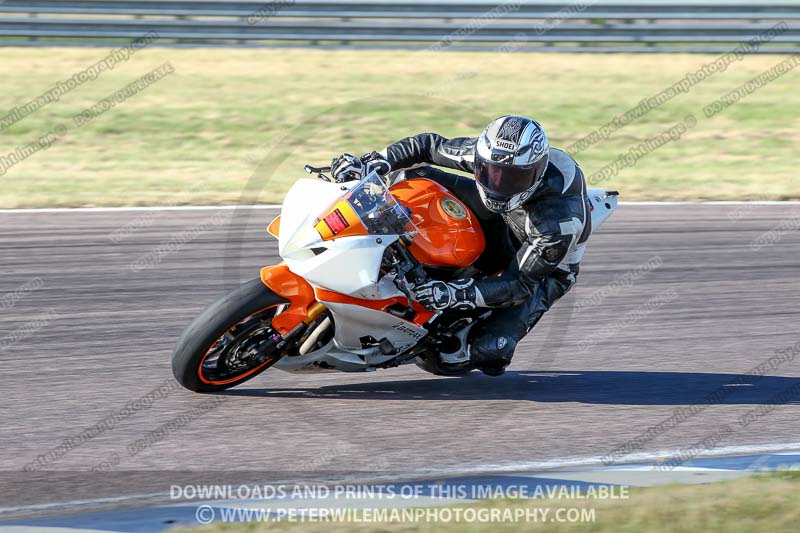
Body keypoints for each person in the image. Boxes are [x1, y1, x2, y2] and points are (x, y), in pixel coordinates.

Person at [329, 115, 591, 376]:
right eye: (489, 172)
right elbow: (429, 146)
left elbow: (519, 284)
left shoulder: (557, 223)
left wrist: (454, 294)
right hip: (504, 216)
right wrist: (373, 162)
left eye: (511, 179)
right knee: (415, 177)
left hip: (543, 263)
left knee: (486, 351)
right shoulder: (493, 156)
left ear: (538, 171)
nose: (497, 184)